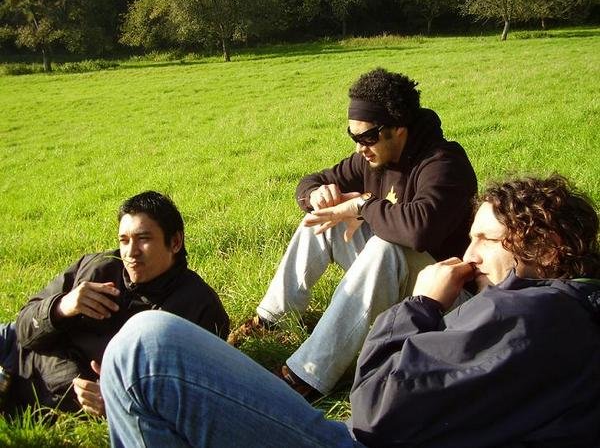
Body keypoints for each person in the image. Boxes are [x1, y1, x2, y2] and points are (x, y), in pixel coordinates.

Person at [100, 174, 600, 447]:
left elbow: (374, 407)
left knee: (143, 347)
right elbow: (313, 183)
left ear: (546, 248)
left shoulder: (524, 316)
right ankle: (271, 317)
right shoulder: (570, 315)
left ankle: (300, 372)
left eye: (484, 239)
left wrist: (423, 304)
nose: (468, 255)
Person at [227, 67, 477, 397]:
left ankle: (308, 375)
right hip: (402, 281)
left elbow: (418, 231)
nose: (360, 147)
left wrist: (361, 205)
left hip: (450, 301)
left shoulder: (444, 164)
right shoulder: (372, 158)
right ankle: (273, 318)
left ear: (398, 129)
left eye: (367, 137)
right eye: (353, 136)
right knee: (322, 220)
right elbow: (312, 181)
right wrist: (316, 196)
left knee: (385, 246)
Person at [0, 191, 229, 416]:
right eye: (124, 240)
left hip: (37, 396)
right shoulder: (97, 268)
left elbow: (192, 396)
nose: (131, 252)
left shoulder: (197, 307)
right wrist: (61, 307)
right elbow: (23, 328)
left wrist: (118, 401)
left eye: (144, 239)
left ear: (175, 242)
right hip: (12, 349)